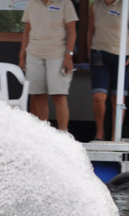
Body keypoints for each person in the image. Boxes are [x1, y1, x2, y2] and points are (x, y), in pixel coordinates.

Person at [18, 0, 78, 132]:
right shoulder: (32, 3)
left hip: (58, 54)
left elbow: (72, 32)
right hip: (34, 53)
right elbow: (27, 31)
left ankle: (63, 133)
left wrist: (68, 56)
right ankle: (43, 134)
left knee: (58, 95)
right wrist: (22, 55)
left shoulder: (65, 3)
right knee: (38, 95)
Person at [87, 0, 129, 141]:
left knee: (117, 97)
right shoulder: (95, 6)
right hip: (99, 53)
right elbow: (90, 30)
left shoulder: (125, 5)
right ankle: (99, 134)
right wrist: (89, 51)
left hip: (121, 55)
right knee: (98, 97)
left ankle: (115, 137)